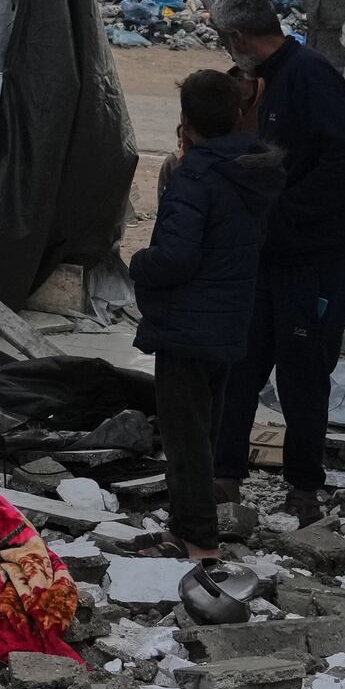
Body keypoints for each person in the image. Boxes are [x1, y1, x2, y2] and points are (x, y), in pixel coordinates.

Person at [206, 0, 345, 523]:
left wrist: (289, 211)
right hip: (270, 256)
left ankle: (303, 487)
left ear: (238, 37)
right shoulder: (263, 83)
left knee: (302, 372)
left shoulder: (309, 75)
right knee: (239, 363)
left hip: (317, 258)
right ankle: (224, 477)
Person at [129, 67, 281, 561]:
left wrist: (138, 263)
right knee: (204, 430)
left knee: (186, 439)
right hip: (228, 321)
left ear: (186, 122)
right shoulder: (252, 171)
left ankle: (199, 541)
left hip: (188, 325)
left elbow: (177, 257)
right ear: (237, 115)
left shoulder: (196, 178)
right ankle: (188, 528)